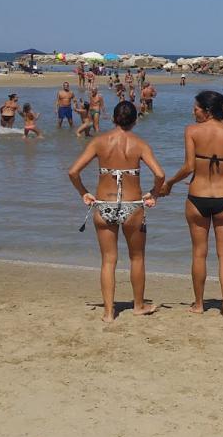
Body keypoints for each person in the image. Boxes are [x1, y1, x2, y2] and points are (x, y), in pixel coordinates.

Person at [66, 101, 166, 322]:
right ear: (135, 120)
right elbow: (160, 175)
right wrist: (154, 194)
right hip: (132, 207)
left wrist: (84, 192)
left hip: (103, 204)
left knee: (108, 260)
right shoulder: (139, 144)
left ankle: (108, 311)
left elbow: (73, 171)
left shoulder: (99, 142)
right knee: (137, 257)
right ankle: (138, 305)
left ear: (112, 118)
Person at [162, 91, 223, 318]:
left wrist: (170, 182)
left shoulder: (191, 131)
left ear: (207, 111)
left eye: (196, 108)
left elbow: (189, 167)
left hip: (197, 197)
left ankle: (199, 304)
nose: (194, 111)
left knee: (199, 253)